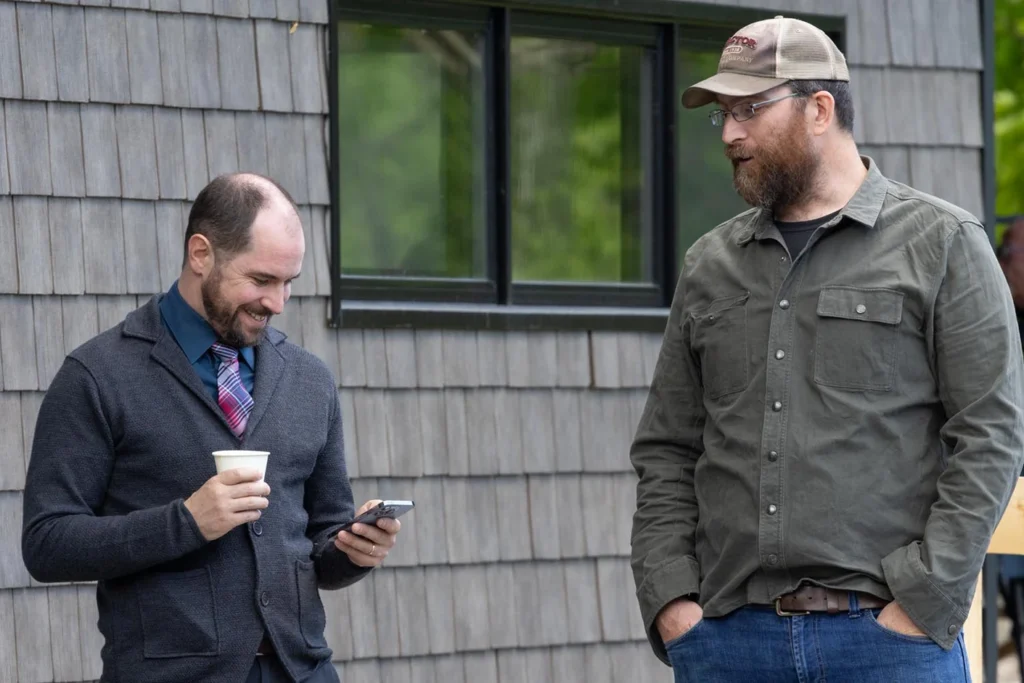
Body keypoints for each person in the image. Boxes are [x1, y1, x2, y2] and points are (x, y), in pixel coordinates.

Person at [630, 15, 1024, 683]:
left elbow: (990, 435)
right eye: (723, 114)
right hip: (729, 644)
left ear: (818, 109)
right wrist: (672, 602)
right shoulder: (709, 265)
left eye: (749, 109)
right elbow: (667, 448)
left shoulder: (943, 243)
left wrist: (924, 599)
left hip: (887, 644)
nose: (729, 134)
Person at [21, 173, 401, 683]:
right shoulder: (97, 375)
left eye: (288, 282)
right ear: (201, 254)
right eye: (261, 280)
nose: (278, 302)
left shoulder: (309, 379)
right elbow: (47, 544)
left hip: (304, 672)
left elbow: (321, 541)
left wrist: (354, 550)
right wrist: (187, 521)